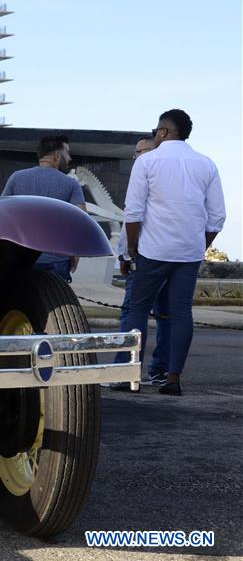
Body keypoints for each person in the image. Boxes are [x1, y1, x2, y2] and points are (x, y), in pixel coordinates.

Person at [120, 109, 225, 396]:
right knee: (181, 314)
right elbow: (217, 217)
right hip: (188, 253)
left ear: (164, 132)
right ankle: (172, 379)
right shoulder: (206, 164)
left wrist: (131, 251)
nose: (155, 135)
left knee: (138, 310)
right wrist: (199, 245)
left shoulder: (147, 162)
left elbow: (133, 212)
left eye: (156, 130)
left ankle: (130, 376)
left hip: (152, 251)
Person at [111, 136, 170, 392]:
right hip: (174, 257)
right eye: (136, 153)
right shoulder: (171, 182)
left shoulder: (144, 177)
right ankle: (161, 371)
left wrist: (126, 254)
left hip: (145, 257)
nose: (137, 157)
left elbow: (132, 216)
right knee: (167, 315)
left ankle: (126, 371)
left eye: (142, 151)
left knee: (133, 312)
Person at [1, 134, 86, 282]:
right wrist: (75, 254)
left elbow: (1, 213)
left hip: (20, 258)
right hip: (57, 261)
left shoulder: (16, 178)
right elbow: (81, 220)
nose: (70, 158)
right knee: (54, 297)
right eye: (67, 153)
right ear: (57, 156)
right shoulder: (71, 184)